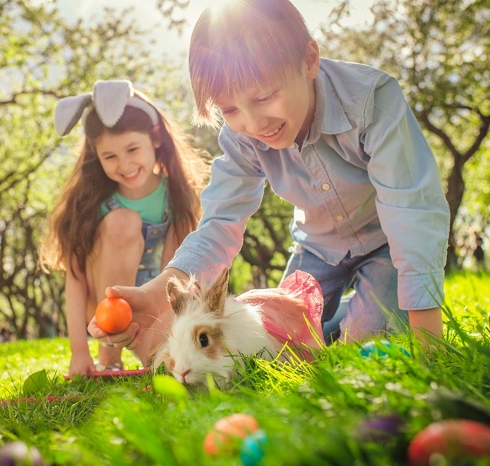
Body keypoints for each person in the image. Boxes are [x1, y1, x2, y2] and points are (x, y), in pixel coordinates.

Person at [88, 0, 450, 356]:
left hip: (386, 243)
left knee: (365, 336)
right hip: (317, 247)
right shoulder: (242, 139)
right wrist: (154, 294)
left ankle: (366, 313)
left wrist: (429, 340)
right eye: (229, 109)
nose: (253, 124)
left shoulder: (371, 101)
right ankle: (345, 314)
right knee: (279, 339)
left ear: (309, 60)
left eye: (264, 97)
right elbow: (219, 227)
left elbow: (411, 211)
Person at [39, 80, 206, 377]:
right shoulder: (94, 203)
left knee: (182, 239)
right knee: (122, 221)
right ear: (96, 155)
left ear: (154, 139)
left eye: (132, 149)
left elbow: (182, 271)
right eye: (110, 156)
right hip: (104, 309)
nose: (125, 164)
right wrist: (79, 351)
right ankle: (109, 356)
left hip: (156, 303)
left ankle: (163, 345)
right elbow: (76, 279)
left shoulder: (176, 195)